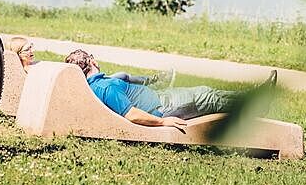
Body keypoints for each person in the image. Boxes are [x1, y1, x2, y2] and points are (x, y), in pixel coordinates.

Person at [65, 49, 277, 128]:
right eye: (93, 58)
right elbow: (131, 114)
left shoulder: (96, 85)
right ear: (91, 61)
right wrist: (163, 121)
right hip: (163, 108)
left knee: (207, 92)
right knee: (207, 97)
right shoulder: (105, 87)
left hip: (161, 98)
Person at [8, 37, 175, 88]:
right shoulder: (29, 71)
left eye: (31, 47)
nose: (31, 51)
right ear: (19, 54)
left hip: (74, 83)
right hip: (75, 88)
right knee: (120, 77)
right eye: (27, 50)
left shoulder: (32, 65)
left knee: (120, 77)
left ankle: (153, 82)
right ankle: (155, 82)